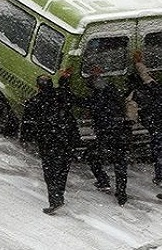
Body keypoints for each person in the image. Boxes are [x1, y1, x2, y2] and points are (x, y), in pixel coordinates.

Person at [20, 70, 80, 215]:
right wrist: (65, 78)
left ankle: (55, 200)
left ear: (38, 87)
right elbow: (66, 90)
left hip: (49, 141)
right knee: (63, 169)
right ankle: (59, 194)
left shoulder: (34, 102)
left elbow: (27, 124)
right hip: (67, 138)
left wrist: (25, 139)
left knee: (50, 171)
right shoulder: (61, 94)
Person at [131, 50, 162, 203]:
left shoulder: (135, 98)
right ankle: (160, 177)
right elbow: (146, 76)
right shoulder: (155, 89)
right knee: (159, 154)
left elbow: (131, 116)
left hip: (159, 129)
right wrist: (139, 63)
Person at [83, 67, 130, 206]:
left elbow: (85, 104)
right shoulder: (113, 91)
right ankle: (122, 193)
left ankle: (103, 181)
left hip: (106, 134)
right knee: (120, 164)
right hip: (120, 133)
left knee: (92, 156)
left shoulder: (97, 98)